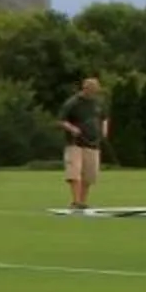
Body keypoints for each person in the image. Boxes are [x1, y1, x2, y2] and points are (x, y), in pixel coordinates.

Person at [56, 77, 110, 212]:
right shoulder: (73, 103)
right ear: (84, 89)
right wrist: (72, 128)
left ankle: (83, 201)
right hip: (75, 143)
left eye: (95, 91)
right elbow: (61, 120)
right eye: (91, 90)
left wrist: (104, 130)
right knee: (75, 172)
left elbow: (104, 117)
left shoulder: (98, 103)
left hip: (93, 143)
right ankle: (76, 201)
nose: (93, 93)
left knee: (89, 175)